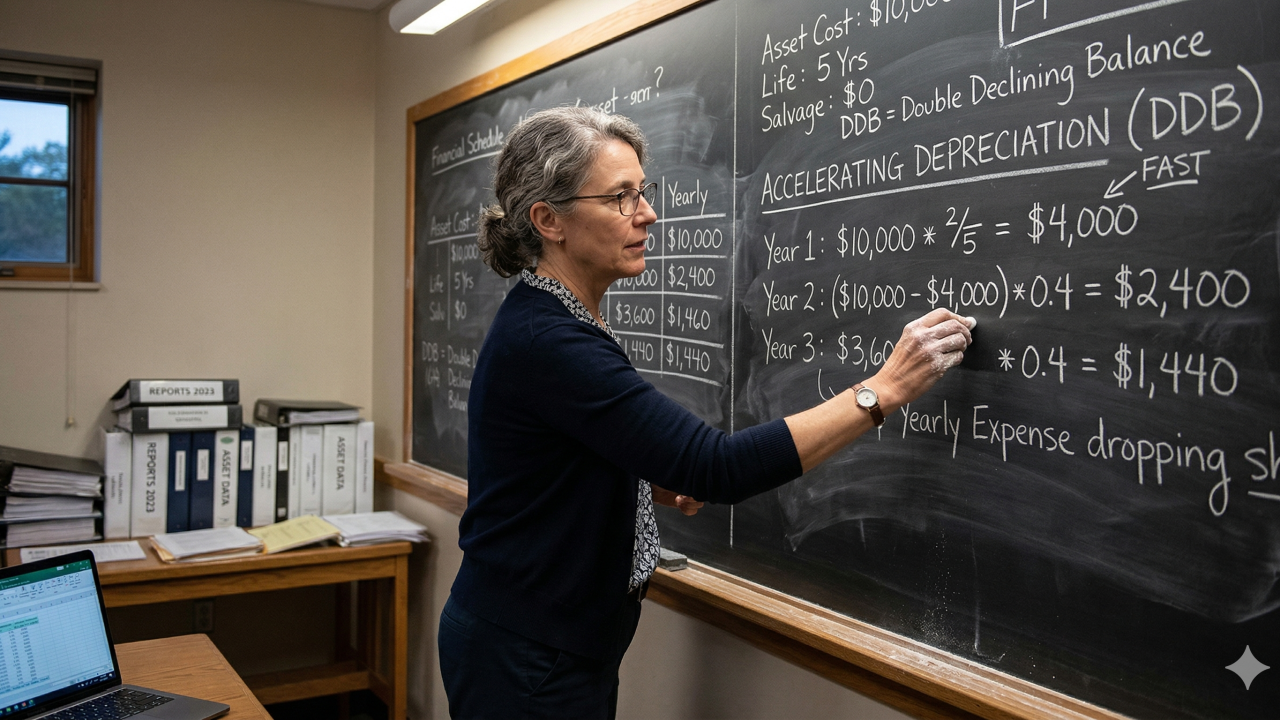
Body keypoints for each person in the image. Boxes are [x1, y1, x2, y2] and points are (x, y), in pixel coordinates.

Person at [437, 106, 975, 719]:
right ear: (548, 219)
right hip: (527, 658)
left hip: (539, 642)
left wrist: (636, 482)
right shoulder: (549, 341)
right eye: (620, 198)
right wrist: (884, 390)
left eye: (643, 191)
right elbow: (714, 466)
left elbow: (561, 457)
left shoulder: (552, 318)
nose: (647, 213)